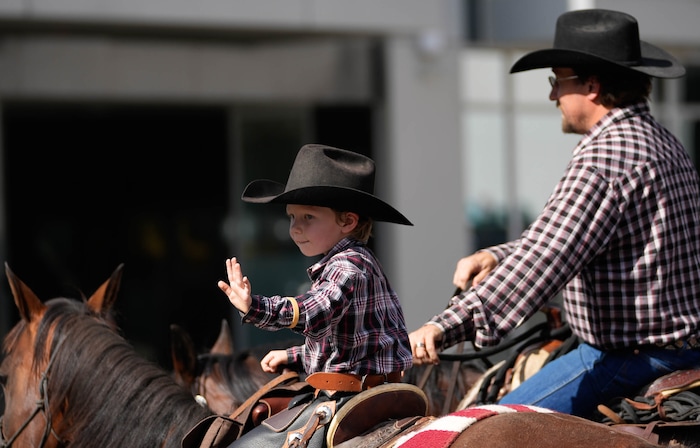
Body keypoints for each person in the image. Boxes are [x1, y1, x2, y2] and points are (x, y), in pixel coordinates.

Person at [409, 8, 700, 419]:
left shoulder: (604, 157)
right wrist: (498, 256)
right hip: (680, 348)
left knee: (480, 432)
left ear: (592, 86)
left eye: (557, 82)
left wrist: (443, 326)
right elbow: (569, 239)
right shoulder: (658, 139)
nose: (552, 97)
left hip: (628, 357)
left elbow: (545, 259)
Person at [218, 143, 413, 387]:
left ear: (348, 221)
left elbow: (316, 312)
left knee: (270, 425)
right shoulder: (356, 260)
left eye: (308, 217)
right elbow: (347, 349)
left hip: (352, 393)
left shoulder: (346, 267)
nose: (295, 227)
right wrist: (293, 356)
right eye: (292, 217)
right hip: (373, 385)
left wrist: (255, 306)